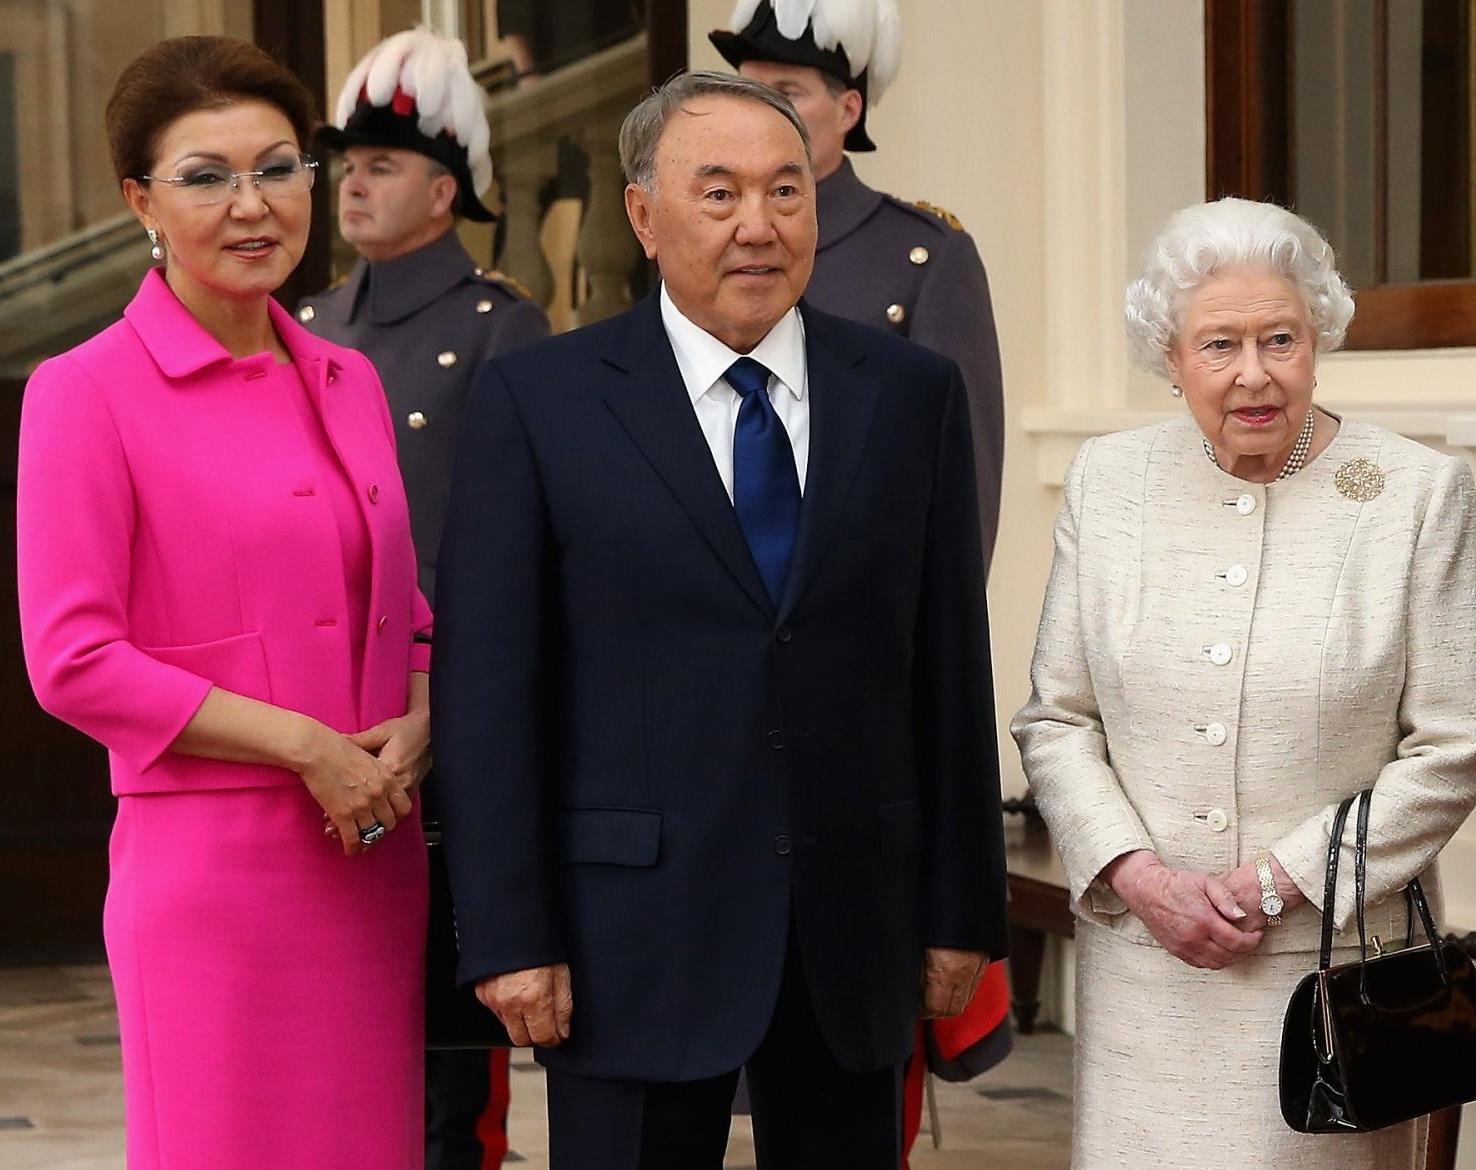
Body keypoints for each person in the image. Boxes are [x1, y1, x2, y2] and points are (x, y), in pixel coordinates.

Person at [432, 70, 1008, 1170]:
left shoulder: (908, 396)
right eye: (721, 193)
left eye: (787, 193)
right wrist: (509, 934)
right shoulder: (541, 404)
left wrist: (959, 906)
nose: (760, 226)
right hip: (627, 937)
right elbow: (491, 696)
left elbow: (946, 670)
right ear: (645, 216)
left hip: (851, 929)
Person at [1010, 197, 1476, 1169]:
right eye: (1219, 344)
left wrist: (1280, 884)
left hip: (1328, 981)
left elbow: (1452, 747)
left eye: (1280, 338)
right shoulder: (1111, 483)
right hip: (1148, 967)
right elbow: (1056, 718)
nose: (1254, 374)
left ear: (1318, 335)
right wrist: (1137, 877)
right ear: (1172, 357)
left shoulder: (1412, 493)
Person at [15, 37, 431, 1170]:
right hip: (214, 887)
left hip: (372, 865)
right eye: (207, 176)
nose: (252, 206)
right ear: (140, 199)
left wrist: (425, 712)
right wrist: (306, 745)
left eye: (279, 168)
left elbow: (403, 598)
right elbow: (72, 657)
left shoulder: (351, 379)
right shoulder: (83, 393)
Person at [296, 27, 550, 1170]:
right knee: (340, 1028)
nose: (352, 180)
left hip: (448, 724)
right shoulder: (302, 331)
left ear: (446, 190)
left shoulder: (504, 329)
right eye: (347, 162)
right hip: (321, 713)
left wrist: (446, 707)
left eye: (383, 164)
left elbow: (517, 552)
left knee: (452, 1052)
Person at [710, 0, 1004, 571]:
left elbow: (965, 481)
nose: (763, 115)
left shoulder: (926, 256)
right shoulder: (707, 243)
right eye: (748, 93)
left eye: (788, 93)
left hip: (863, 597)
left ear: (848, 108)